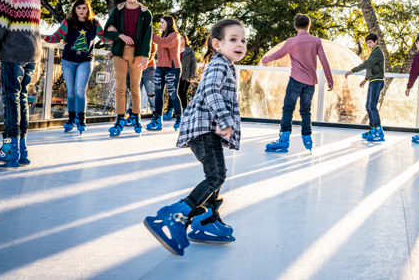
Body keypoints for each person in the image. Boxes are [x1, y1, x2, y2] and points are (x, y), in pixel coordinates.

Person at [144, 19, 245, 255]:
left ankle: (206, 219)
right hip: (203, 130)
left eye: (243, 40)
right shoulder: (219, 65)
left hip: (204, 130)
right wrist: (224, 120)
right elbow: (210, 91)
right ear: (217, 44)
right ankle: (177, 215)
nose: (240, 44)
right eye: (233, 39)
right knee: (216, 176)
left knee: (216, 176)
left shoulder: (225, 64)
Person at [0, 0, 41, 169]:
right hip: (32, 52)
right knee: (21, 98)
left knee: (10, 99)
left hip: (13, 52)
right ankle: (22, 148)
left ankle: (8, 148)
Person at [262, 14, 334, 152]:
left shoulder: (291, 42)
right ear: (309, 25)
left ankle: (283, 140)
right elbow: (324, 61)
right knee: (306, 111)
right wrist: (329, 80)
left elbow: (278, 54)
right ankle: (307, 138)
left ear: (295, 26)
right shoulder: (316, 41)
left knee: (288, 109)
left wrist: (266, 59)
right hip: (310, 83)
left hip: (295, 80)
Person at [43, 0, 109, 134]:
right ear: (74, 9)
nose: (81, 11)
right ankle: (71, 118)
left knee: (80, 89)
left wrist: (118, 34)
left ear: (88, 9)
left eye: (84, 8)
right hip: (68, 61)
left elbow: (105, 38)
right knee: (71, 91)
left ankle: (81, 119)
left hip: (85, 61)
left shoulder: (94, 23)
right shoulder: (68, 22)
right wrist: (42, 37)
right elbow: (56, 37)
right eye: (79, 8)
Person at [103, 0, 152, 137]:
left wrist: (145, 56)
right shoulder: (118, 11)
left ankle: (136, 117)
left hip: (137, 54)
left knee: (135, 87)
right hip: (120, 52)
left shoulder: (146, 13)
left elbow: (147, 36)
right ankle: (119, 119)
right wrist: (120, 35)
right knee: (120, 87)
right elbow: (107, 30)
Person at [345, 33, 386, 141]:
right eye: (367, 43)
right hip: (373, 81)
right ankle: (373, 130)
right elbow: (372, 68)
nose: (369, 44)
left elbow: (367, 64)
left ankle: (379, 131)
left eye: (370, 42)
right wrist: (365, 80)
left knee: (372, 106)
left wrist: (352, 70)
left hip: (377, 82)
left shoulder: (377, 52)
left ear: (376, 41)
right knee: (368, 106)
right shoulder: (374, 52)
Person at [145, 15, 183, 131]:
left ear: (168, 23)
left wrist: (152, 32)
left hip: (172, 68)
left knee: (172, 93)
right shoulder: (163, 35)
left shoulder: (174, 36)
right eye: (160, 22)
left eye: (162, 22)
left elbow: (163, 43)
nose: (160, 24)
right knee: (158, 93)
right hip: (160, 67)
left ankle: (179, 119)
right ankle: (157, 119)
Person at [126, 42, 157, 124]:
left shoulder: (150, 36)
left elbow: (153, 51)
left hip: (148, 69)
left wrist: (144, 63)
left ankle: (156, 115)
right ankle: (133, 115)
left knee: (151, 93)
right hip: (136, 68)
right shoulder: (134, 37)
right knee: (134, 92)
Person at [165, 33, 197, 114]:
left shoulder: (190, 51)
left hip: (185, 76)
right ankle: (169, 111)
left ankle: (185, 110)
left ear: (185, 40)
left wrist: (192, 76)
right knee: (172, 92)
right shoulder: (173, 49)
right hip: (174, 74)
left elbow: (193, 64)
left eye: (182, 38)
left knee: (182, 93)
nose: (180, 40)